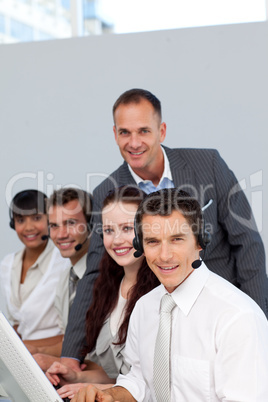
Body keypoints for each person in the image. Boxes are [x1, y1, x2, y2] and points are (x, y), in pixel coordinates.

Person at [61, 88, 268, 370]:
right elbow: (95, 272)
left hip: (221, 309)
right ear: (114, 134)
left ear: (162, 130)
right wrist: (71, 356)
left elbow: (247, 243)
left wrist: (258, 319)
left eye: (143, 131)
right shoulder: (107, 192)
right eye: (124, 133)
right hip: (158, 320)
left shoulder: (208, 165)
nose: (134, 142)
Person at [72, 188, 268, 402]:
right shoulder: (145, 307)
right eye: (153, 242)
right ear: (140, 246)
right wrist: (108, 395)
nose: (164, 256)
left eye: (176, 239)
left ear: (200, 241)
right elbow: (139, 380)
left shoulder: (237, 317)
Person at [46, 186, 159, 400]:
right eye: (108, 230)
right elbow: (115, 374)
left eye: (127, 228)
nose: (116, 240)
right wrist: (77, 377)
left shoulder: (161, 293)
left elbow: (153, 384)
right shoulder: (106, 287)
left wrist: (97, 388)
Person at [29, 188, 93, 371]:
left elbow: (106, 359)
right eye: (54, 225)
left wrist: (48, 360)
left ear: (92, 223)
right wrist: (35, 350)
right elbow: (70, 341)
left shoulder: (105, 278)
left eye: (71, 223)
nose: (61, 235)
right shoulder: (66, 277)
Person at [0, 189, 69, 348]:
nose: (28, 227)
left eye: (36, 218)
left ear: (50, 220)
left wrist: (23, 346)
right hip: (23, 356)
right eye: (20, 220)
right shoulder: (8, 264)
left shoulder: (64, 262)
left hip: (54, 357)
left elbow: (73, 334)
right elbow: (18, 325)